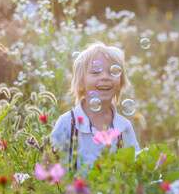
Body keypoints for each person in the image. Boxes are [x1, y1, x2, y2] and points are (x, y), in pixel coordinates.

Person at [50, 42, 140, 172]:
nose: (105, 77)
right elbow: (48, 163)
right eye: (96, 72)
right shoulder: (67, 123)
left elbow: (135, 166)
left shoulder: (124, 127)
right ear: (81, 83)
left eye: (112, 72)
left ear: (121, 82)